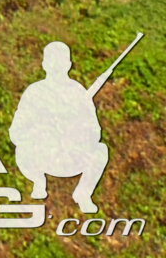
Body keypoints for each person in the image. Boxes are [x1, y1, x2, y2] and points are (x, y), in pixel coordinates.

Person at [12, 41, 112, 211]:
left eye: (60, 62)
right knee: (22, 149)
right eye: (52, 61)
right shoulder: (34, 92)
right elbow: (16, 132)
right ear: (44, 65)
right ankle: (38, 181)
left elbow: (95, 131)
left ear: (68, 65)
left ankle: (83, 194)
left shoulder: (78, 92)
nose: (56, 66)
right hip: (43, 156)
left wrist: (75, 129)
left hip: (71, 156)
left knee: (100, 150)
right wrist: (42, 128)